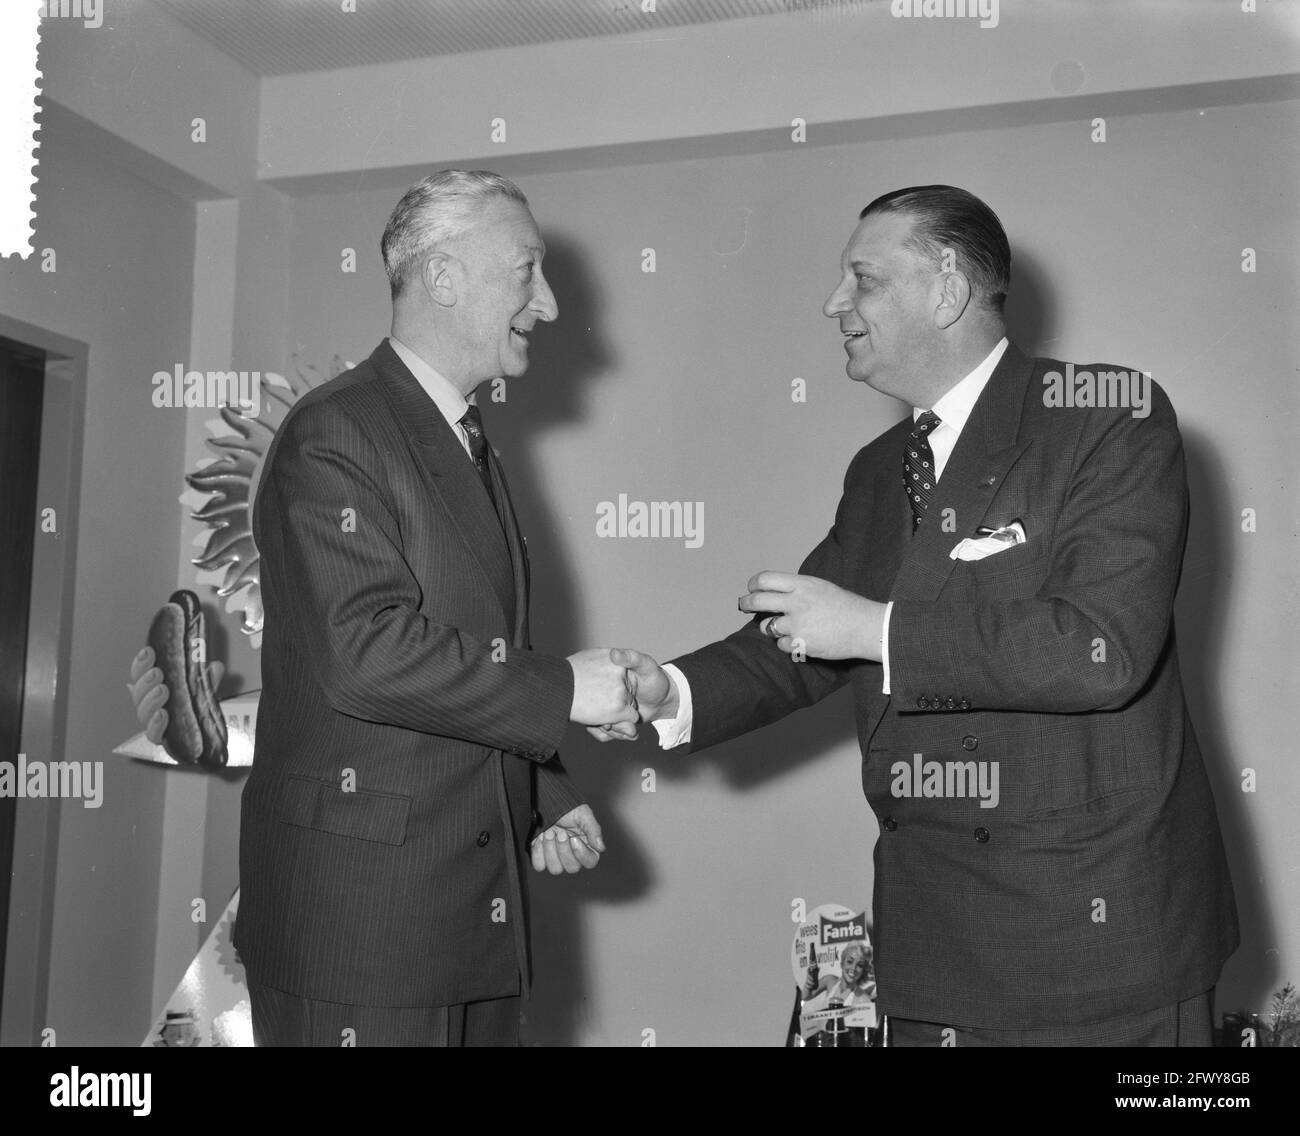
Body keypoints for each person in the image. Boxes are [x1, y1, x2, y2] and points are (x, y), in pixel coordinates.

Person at [615, 185, 1239, 1046]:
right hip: (933, 951)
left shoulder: (1108, 415)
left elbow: (1101, 649)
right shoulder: (879, 470)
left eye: (862, 280)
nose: (834, 304)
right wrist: (671, 691)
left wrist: (875, 631)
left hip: (1097, 955)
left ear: (947, 288)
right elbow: (807, 632)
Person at [135, 170, 647, 1046]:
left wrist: (543, 793)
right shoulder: (337, 431)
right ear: (444, 278)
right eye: (528, 271)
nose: (551, 304)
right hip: (364, 936)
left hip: (463, 924)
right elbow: (363, 649)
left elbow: (465, 653)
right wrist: (565, 690)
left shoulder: (459, 434)